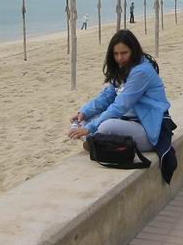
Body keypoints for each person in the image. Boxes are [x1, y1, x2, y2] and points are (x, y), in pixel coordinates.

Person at [67, 30, 177, 183]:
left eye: (124, 53)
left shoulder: (141, 72)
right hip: (129, 121)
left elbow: (120, 105)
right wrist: (84, 112)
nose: (119, 58)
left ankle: (95, 140)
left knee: (105, 126)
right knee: (84, 120)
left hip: (149, 130)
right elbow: (107, 96)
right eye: (116, 54)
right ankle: (95, 140)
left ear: (134, 51)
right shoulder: (123, 68)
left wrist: (90, 128)